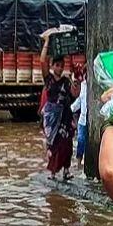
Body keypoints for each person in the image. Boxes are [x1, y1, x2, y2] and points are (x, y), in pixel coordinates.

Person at [40, 36, 79, 180]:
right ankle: (53, 172)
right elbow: (42, 61)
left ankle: (66, 171)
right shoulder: (48, 79)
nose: (60, 68)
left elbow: (75, 94)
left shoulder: (66, 81)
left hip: (65, 116)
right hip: (52, 116)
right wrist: (47, 42)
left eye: (62, 65)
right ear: (52, 66)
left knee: (67, 143)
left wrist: (77, 82)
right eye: (57, 65)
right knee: (54, 143)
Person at [71, 73, 87, 169]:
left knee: (87, 142)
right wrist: (69, 110)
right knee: (80, 140)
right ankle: (79, 163)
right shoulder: (83, 86)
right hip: (82, 120)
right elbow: (79, 101)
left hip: (90, 121)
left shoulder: (94, 85)